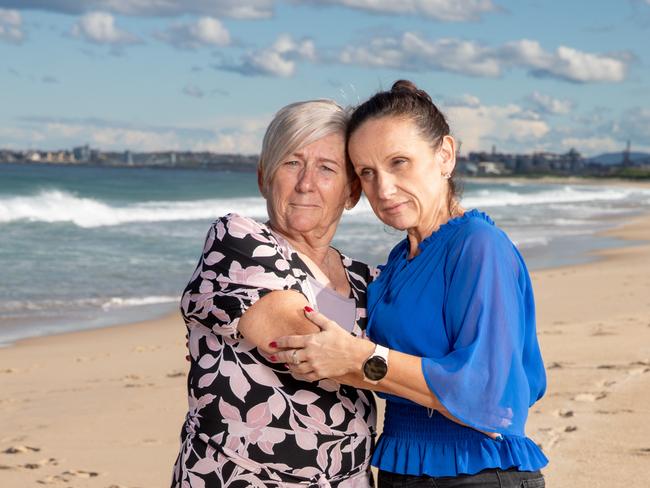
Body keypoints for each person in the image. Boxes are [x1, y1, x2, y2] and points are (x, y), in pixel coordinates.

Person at [272, 81, 548, 488]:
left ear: (445, 156)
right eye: (367, 172)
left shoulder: (477, 246)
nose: (383, 189)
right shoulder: (398, 263)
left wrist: (360, 358)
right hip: (401, 467)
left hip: (478, 472)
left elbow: (492, 399)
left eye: (399, 162)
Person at [171, 99, 377, 487]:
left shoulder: (367, 279)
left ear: (351, 192)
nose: (306, 183)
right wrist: (435, 379)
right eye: (292, 162)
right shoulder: (236, 244)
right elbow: (311, 344)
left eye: (327, 168)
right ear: (264, 176)